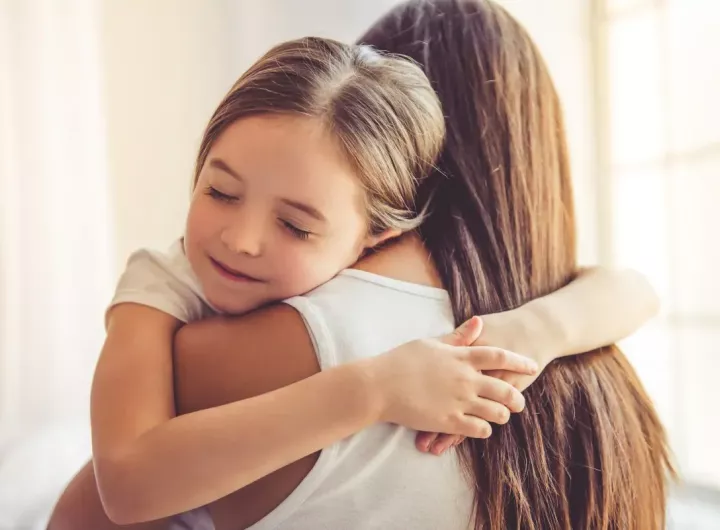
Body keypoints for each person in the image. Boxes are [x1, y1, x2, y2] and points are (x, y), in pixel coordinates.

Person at [48, 2, 667, 529]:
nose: (241, 240)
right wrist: (373, 388)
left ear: (381, 227)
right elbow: (121, 485)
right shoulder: (164, 285)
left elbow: (637, 289)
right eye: (220, 192)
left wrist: (526, 335)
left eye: (295, 223)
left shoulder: (506, 330)